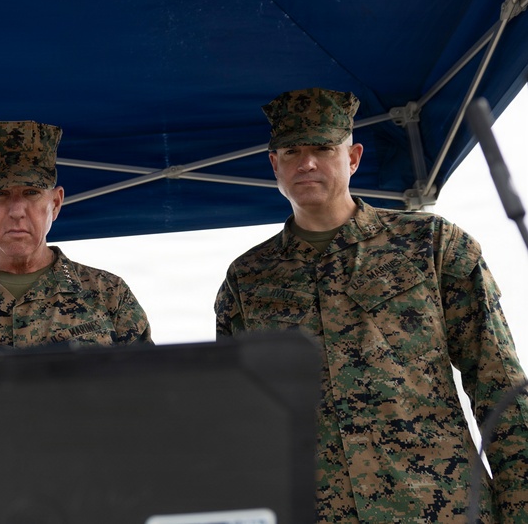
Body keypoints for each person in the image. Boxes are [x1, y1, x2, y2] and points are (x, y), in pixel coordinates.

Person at [214, 87, 528, 522]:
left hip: (438, 508)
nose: (306, 163)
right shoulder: (247, 279)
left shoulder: (430, 244)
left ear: (354, 158)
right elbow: (242, 420)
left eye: (323, 148)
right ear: (274, 164)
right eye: (291, 151)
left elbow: (500, 383)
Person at [0, 120, 152, 356]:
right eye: (0, 193)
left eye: (31, 193)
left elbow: (149, 392)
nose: (16, 211)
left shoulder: (109, 296)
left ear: (55, 202)